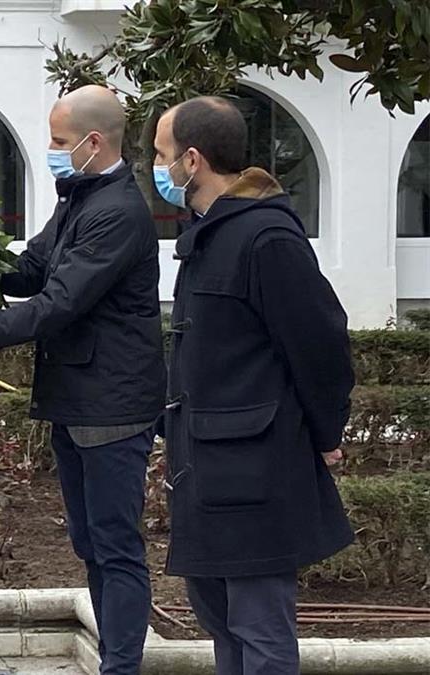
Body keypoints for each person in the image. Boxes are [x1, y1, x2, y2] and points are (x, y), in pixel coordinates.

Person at [0, 85, 165, 675]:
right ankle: (115, 659)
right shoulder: (81, 195)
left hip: (110, 406)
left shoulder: (116, 212)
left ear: (93, 141)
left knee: (114, 548)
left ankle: (122, 666)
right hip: (78, 399)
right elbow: (32, 268)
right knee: (91, 545)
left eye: (59, 142)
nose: (52, 151)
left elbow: (56, 305)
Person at [153, 97, 354, 675]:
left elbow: (320, 343)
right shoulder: (208, 234)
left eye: (163, 156)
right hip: (203, 469)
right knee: (220, 623)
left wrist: (325, 430)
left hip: (256, 470)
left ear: (193, 160)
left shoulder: (266, 237)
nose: (158, 169)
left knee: (260, 630)